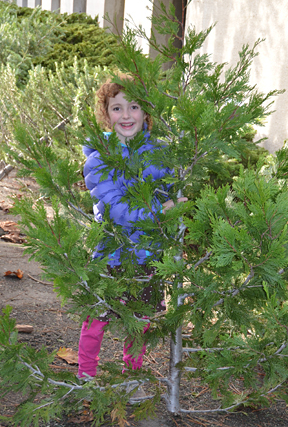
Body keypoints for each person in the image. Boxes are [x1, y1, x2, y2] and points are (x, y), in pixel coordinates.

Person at [78, 75, 186, 384]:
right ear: (106, 113)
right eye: (117, 108)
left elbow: (169, 192)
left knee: (139, 322)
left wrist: (177, 198)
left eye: (134, 106)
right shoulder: (99, 159)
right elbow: (115, 209)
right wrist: (159, 211)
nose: (126, 115)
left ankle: (132, 376)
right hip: (111, 254)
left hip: (148, 254)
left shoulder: (160, 156)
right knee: (96, 318)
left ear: (146, 113)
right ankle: (86, 375)